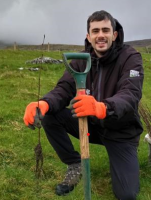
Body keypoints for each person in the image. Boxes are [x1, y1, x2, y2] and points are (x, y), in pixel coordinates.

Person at [23, 10, 144, 200]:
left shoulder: (130, 57)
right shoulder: (81, 59)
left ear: (114, 34)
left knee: (126, 194)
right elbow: (64, 89)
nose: (100, 35)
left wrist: (102, 107)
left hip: (121, 132)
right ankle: (74, 164)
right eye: (95, 31)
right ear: (89, 36)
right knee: (49, 115)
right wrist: (44, 103)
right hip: (88, 128)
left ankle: (124, 157)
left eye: (105, 30)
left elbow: (130, 94)